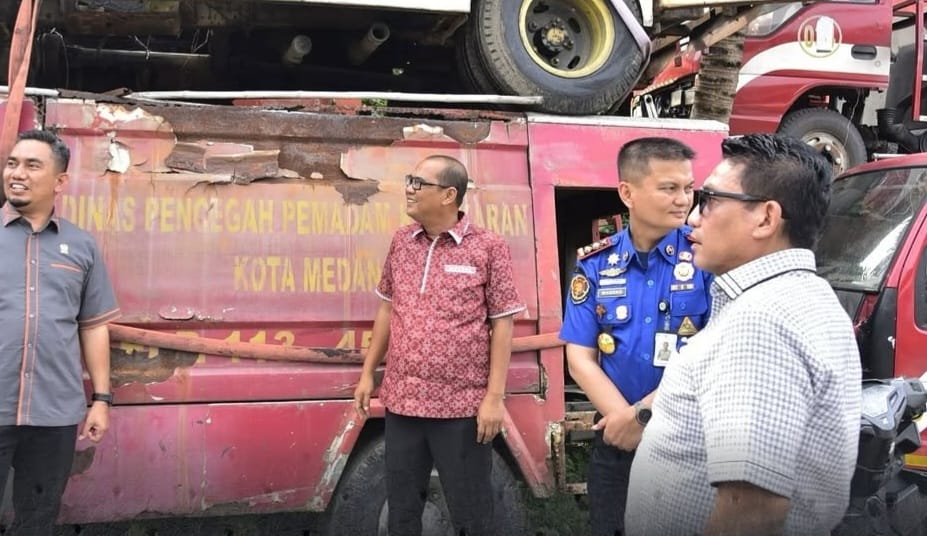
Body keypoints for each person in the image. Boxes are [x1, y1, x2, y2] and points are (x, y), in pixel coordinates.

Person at [625, 134, 862, 535]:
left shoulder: (761, 321)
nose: (692, 218)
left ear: (766, 218)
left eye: (710, 200)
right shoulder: (799, 297)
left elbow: (753, 513)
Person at [353, 155, 524, 536]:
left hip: (461, 409)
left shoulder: (488, 247)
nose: (409, 189)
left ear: (449, 195)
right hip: (402, 402)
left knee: (471, 513)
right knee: (401, 510)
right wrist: (368, 374)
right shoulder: (402, 241)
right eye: (410, 180)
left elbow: (503, 323)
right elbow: (386, 308)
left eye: (419, 182)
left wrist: (493, 398)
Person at [559, 137, 713, 536]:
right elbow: (580, 356)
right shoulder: (594, 263)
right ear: (627, 192)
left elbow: (716, 354)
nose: (684, 200)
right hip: (616, 439)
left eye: (688, 187)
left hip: (687, 440)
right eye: (669, 188)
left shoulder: (706, 259)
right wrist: (623, 421)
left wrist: (643, 416)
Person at [0, 129, 120, 534]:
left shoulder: (81, 247)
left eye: (33, 165)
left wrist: (101, 399)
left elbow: (93, 327)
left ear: (60, 181)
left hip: (54, 415)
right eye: (13, 163)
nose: (17, 173)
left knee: (38, 520)